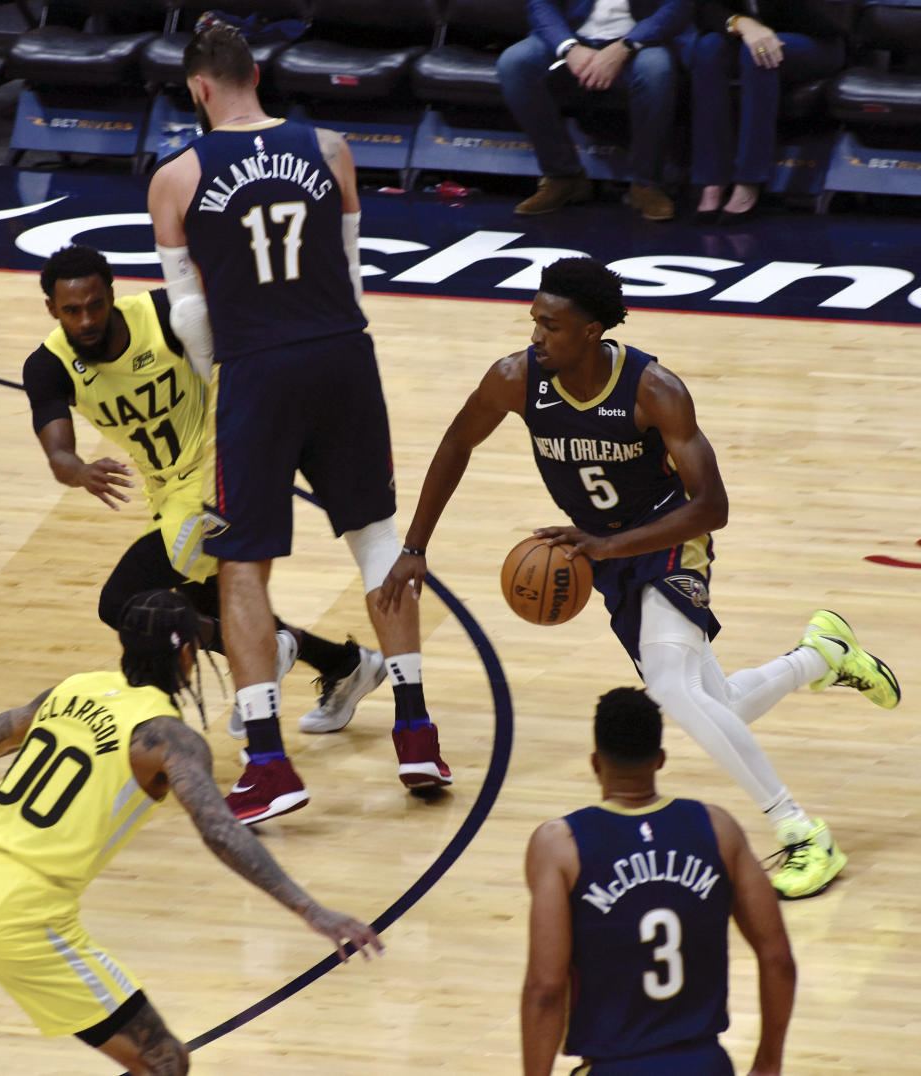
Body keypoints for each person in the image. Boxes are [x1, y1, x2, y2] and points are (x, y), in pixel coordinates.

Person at [380, 256, 901, 900]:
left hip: (670, 535)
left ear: (592, 330)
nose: (536, 335)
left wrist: (606, 545)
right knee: (716, 703)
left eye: (552, 326)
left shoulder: (654, 389)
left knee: (671, 689)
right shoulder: (516, 379)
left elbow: (713, 506)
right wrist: (414, 547)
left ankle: (801, 831)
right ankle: (820, 655)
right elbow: (457, 442)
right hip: (608, 555)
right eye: (534, 321)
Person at [147, 24, 451, 825]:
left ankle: (269, 762)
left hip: (257, 367)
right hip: (345, 355)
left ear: (199, 90)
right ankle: (416, 731)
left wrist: (228, 385)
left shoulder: (176, 177)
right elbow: (349, 273)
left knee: (241, 568)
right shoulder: (330, 148)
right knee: (376, 537)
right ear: (255, 74)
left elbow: (185, 313)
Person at [22, 244, 388, 821]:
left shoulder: (166, 315)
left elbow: (246, 332)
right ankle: (342, 664)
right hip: (167, 492)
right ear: (52, 309)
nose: (87, 320)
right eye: (73, 311)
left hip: (224, 463)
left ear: (113, 295)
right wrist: (77, 470)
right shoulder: (48, 365)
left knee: (123, 601)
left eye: (95, 305)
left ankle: (273, 659)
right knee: (199, 601)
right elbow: (58, 449)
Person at [0, 589, 382, 1074]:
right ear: (187, 655)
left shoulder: (69, 690)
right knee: (164, 1061)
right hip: (21, 910)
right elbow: (220, 831)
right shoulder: (167, 739)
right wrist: (310, 909)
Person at [521, 686, 796, 1075]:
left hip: (616, 1067)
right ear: (661, 760)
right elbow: (778, 958)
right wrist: (768, 1064)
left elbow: (546, 989)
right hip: (706, 1064)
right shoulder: (719, 830)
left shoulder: (560, 846)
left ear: (596, 763)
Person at [496, 0, 696, 220]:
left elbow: (677, 6)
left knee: (657, 70)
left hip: (640, 39)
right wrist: (568, 47)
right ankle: (563, 176)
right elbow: (540, 3)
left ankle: (646, 184)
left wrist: (625, 46)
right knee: (514, 63)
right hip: (571, 33)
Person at [690, 0, 847, 222]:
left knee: (757, 53)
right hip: (751, 34)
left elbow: (831, 19)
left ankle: (749, 180)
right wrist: (742, 22)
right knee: (708, 48)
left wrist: (762, 30)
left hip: (817, 39)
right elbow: (706, 8)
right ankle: (713, 179)